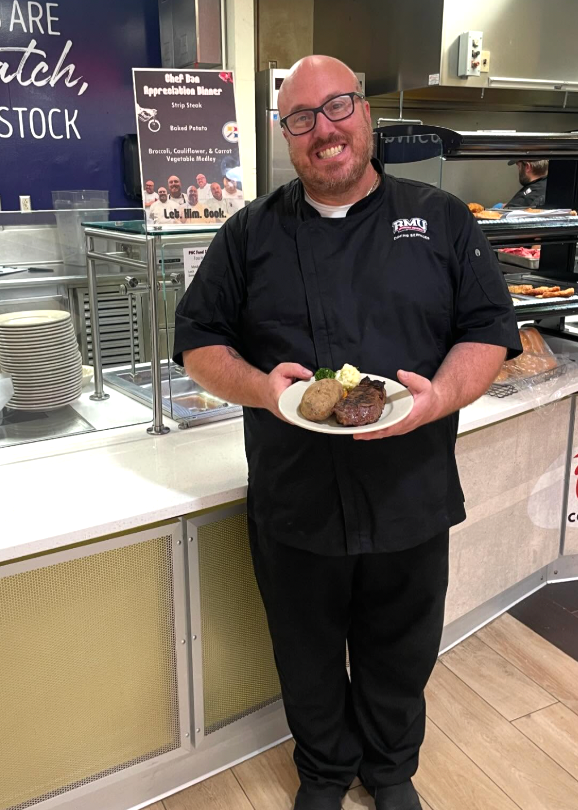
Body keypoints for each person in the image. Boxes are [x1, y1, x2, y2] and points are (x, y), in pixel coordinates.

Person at [173, 55, 521, 810]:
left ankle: (391, 770)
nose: (322, 130)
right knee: (305, 651)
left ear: (364, 113)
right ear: (285, 135)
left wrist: (436, 400)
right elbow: (199, 344)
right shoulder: (248, 234)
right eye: (301, 118)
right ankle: (325, 773)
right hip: (296, 495)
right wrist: (260, 389)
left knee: (402, 643)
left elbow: (488, 332)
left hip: (410, 488)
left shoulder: (440, 217)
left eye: (336, 107)